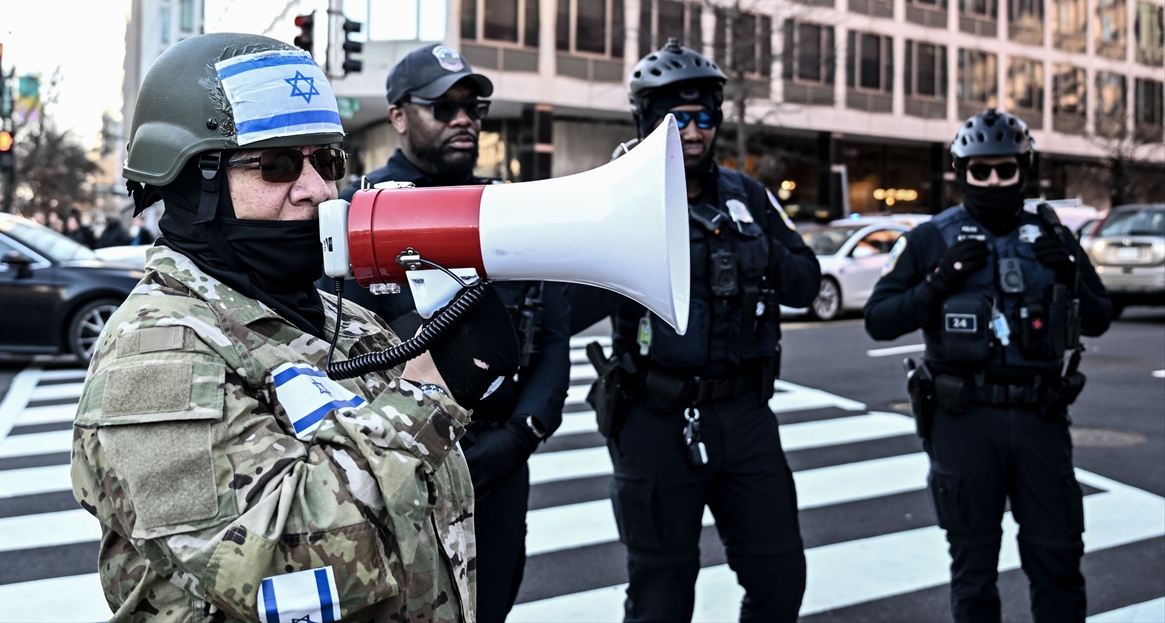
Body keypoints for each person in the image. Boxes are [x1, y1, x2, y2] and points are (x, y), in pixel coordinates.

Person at [71, 33, 521, 623]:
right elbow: (274, 572)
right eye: (278, 164)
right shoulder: (153, 355)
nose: (318, 190)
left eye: (326, 161)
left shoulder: (344, 319)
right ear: (194, 182)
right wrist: (430, 392)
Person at [568, 38, 820, 623]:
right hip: (654, 416)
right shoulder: (617, 198)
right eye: (675, 119)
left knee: (781, 577)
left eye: (703, 118)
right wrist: (623, 212)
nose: (692, 132)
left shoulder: (747, 195)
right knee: (661, 593)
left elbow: (805, 282)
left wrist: (751, 243)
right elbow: (569, 308)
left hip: (745, 414)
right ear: (647, 122)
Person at [325, 43, 571, 623]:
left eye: (473, 107)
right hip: (398, 467)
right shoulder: (356, 213)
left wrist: (521, 435)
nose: (464, 119)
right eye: (443, 107)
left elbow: (551, 334)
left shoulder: (507, 207)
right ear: (397, 116)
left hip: (499, 464)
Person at [864, 108, 1112, 623]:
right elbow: (880, 320)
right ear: (961, 172)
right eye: (981, 171)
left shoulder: (1053, 236)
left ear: (1025, 169)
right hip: (964, 420)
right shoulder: (931, 237)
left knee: (1058, 558)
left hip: (1041, 418)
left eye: (1006, 169)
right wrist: (939, 281)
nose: (994, 181)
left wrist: (1069, 269)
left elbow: (1100, 318)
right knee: (973, 570)